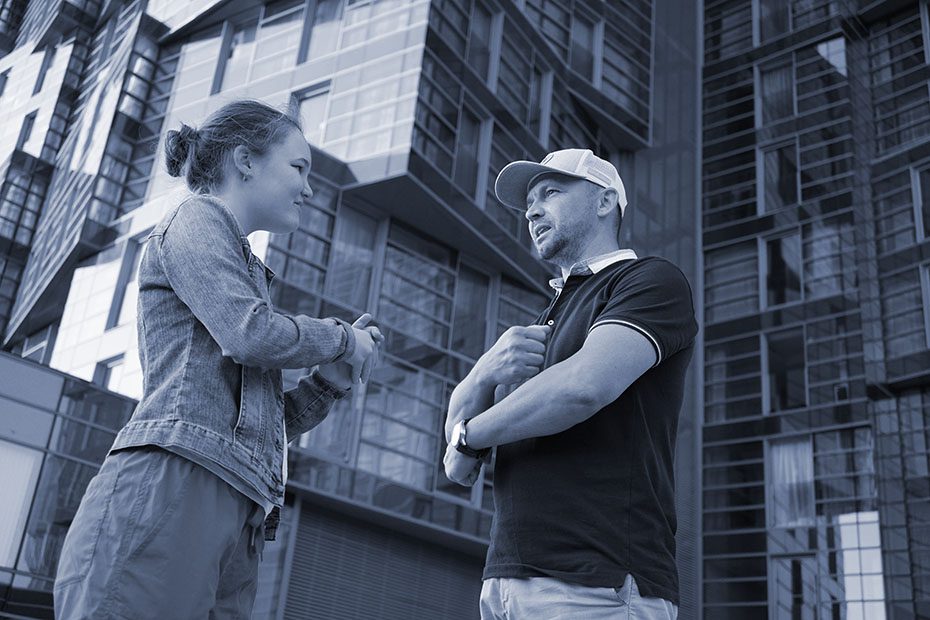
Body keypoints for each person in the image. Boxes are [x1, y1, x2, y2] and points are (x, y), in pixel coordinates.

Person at [54, 99, 382, 619]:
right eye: (299, 167)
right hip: (175, 485)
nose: (309, 188)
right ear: (245, 160)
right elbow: (249, 335)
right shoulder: (196, 217)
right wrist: (342, 338)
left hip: (237, 506)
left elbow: (252, 425)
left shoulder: (244, 267)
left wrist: (328, 384)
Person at [443, 148, 697, 619]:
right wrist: (485, 370)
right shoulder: (541, 322)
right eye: (528, 204)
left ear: (604, 202)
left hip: (597, 583)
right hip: (506, 584)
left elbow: (583, 387)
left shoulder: (649, 281)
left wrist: (470, 435)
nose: (533, 211)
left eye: (551, 193)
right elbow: (455, 469)